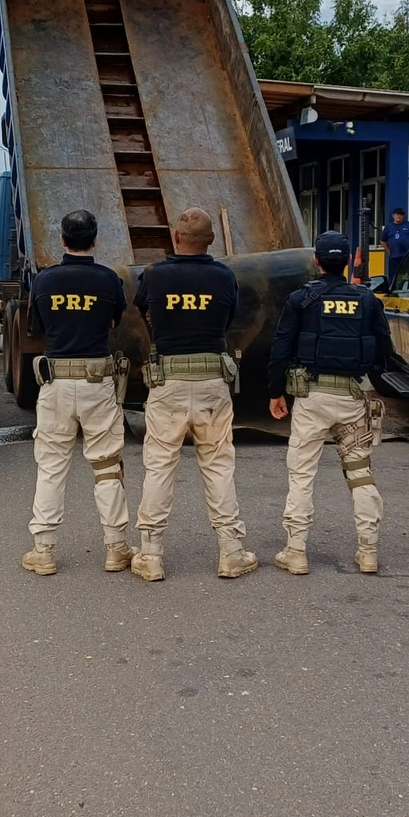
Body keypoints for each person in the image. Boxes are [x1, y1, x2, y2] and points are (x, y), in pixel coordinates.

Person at [130, 207, 257, 582]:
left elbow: (143, 310)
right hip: (212, 383)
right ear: (212, 241)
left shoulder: (153, 276)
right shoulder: (224, 276)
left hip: (167, 382)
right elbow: (229, 318)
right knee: (218, 465)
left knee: (159, 465)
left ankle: (150, 554)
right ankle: (231, 551)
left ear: (175, 237)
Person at [267, 231, 392, 575]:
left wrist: (276, 392)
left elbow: (281, 347)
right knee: (360, 474)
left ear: (316, 262)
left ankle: (296, 552)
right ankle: (368, 551)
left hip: (310, 398)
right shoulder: (367, 300)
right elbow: (385, 350)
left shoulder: (301, 299)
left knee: (301, 474)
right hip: (352, 398)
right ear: (349, 261)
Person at [21, 210, 133, 577]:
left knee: (52, 467)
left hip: (55, 382)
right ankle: (117, 548)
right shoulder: (108, 280)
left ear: (63, 240)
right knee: (106, 466)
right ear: (96, 239)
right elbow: (114, 321)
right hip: (97, 382)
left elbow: (36, 327)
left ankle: (44, 550)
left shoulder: (44, 280)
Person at [382, 208, 409, 282]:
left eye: (401, 214)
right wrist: (389, 251)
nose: (399, 216)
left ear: (404, 216)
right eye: (397, 214)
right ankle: (393, 291)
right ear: (393, 215)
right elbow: (382, 241)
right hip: (394, 256)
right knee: (393, 276)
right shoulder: (388, 227)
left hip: (408, 255)